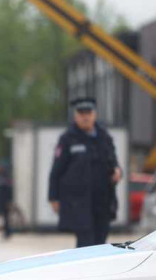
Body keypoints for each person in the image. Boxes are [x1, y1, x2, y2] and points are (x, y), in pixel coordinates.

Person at [48, 97, 122, 248]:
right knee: (85, 244)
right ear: (75, 116)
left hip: (103, 201)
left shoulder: (104, 137)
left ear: (95, 115)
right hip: (79, 203)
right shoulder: (68, 139)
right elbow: (56, 171)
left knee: (101, 244)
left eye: (88, 113)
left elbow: (114, 162)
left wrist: (118, 171)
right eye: (81, 114)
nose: (85, 117)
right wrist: (53, 198)